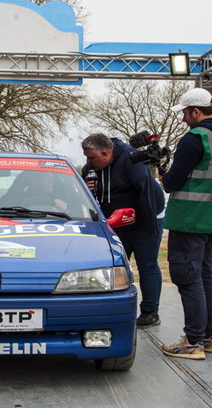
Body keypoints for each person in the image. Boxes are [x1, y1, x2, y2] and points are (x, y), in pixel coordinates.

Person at [160, 88, 212, 360]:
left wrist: (164, 174)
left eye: (184, 113)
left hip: (190, 219)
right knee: (206, 277)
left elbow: (172, 182)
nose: (183, 118)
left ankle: (193, 343)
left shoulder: (195, 138)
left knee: (187, 278)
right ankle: (209, 337)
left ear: (196, 111)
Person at [81, 133, 165, 328]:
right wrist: (87, 189)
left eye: (91, 157)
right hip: (115, 222)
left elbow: (146, 190)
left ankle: (150, 312)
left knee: (147, 265)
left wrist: (149, 225)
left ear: (105, 153)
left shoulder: (131, 159)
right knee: (112, 266)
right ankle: (109, 309)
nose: (88, 162)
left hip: (145, 218)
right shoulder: (89, 169)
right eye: (86, 157)